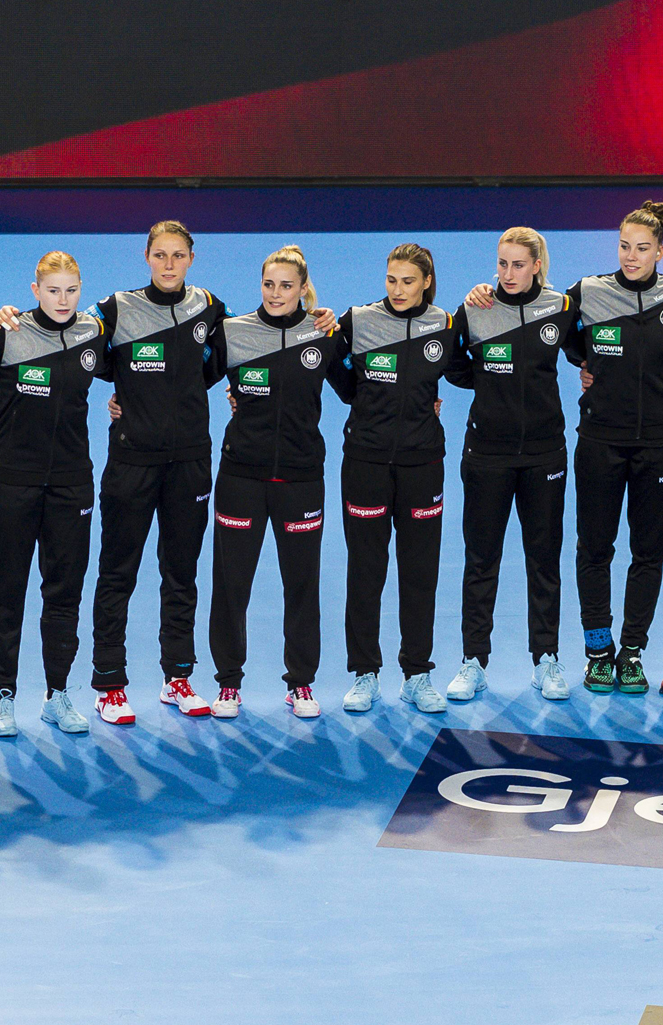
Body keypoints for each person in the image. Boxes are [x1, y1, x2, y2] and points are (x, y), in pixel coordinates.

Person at [0, 221, 332, 725]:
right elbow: (72, 344)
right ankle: (110, 684)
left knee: (182, 574)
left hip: (190, 463)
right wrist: (6, 320)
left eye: (178, 255)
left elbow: (237, 357)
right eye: (160, 255)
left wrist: (315, 320)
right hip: (130, 463)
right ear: (146, 258)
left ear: (191, 258)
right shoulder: (114, 310)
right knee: (117, 575)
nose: (169, 265)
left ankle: (178, 677)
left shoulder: (211, 310)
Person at [557, 201, 663, 695]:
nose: (631, 256)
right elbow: (559, 333)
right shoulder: (589, 292)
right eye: (624, 246)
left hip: (659, 444)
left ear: (661, 251)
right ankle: (598, 651)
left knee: (649, 550)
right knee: (594, 548)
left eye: (642, 248)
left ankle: (632, 650)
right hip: (599, 440)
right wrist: (589, 360)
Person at [0, 252, 109, 737]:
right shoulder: (9, 332)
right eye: (53, 290)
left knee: (64, 591)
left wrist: (123, 400)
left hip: (72, 482)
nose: (63, 300)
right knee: (7, 591)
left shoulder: (93, 332)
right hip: (10, 480)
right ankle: (2, 697)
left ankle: (58, 693)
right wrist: (0, 394)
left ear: (81, 289)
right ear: (35, 291)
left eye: (71, 290)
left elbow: (134, 368)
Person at [206, 246, 344, 718]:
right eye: (269, 284)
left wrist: (425, 405)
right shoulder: (234, 332)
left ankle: (300, 683)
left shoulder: (324, 334)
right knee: (231, 583)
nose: (277, 293)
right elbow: (182, 381)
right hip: (241, 475)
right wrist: (123, 402)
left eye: (287, 285)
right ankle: (228, 683)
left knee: (302, 584)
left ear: (303, 288)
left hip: (302, 478)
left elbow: (365, 387)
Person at [325, 243, 458, 714]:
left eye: (408, 281)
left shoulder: (444, 325)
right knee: (366, 570)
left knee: (420, 572)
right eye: (391, 280)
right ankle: (365, 672)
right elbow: (338, 375)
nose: (398, 290)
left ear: (426, 282)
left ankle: (417, 673)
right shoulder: (358, 321)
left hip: (424, 465)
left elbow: (466, 371)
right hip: (365, 463)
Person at [446, 228, 574, 703]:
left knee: (544, 561)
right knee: (482, 561)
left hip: (545, 455)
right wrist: (487, 383)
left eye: (519, 264)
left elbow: (587, 351)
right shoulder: (476, 308)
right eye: (502, 264)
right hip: (487, 455)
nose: (508, 273)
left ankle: (546, 659)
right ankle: (473, 661)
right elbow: (452, 363)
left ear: (537, 265)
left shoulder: (561, 308)